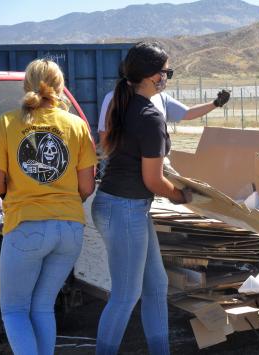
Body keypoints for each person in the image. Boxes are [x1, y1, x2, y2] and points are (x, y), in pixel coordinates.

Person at [0, 59, 98, 355]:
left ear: (25, 86)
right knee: (42, 307)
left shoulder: (7, 123)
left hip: (26, 227)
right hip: (70, 228)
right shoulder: (77, 125)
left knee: (15, 310)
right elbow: (87, 186)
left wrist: (16, 192)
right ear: (60, 88)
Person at [91, 41, 192, 355]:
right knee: (125, 295)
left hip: (122, 206)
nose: (167, 78)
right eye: (166, 72)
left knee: (156, 285)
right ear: (152, 77)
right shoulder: (149, 116)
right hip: (125, 209)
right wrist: (181, 195)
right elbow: (153, 180)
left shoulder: (124, 103)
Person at [97, 76, 230, 144]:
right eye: (163, 73)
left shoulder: (162, 98)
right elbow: (104, 135)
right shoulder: (113, 98)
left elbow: (188, 113)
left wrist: (215, 103)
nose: (165, 77)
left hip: (156, 164)